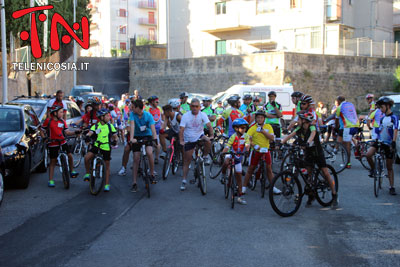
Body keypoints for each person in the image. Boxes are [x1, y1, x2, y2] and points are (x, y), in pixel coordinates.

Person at [282, 111, 338, 207]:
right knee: (309, 174)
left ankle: (334, 194)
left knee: (325, 172)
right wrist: (281, 142)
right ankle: (311, 195)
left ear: (304, 121)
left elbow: (313, 134)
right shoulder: (299, 128)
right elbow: (290, 136)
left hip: (317, 152)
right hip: (308, 153)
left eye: (299, 119)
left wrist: (307, 142)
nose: (297, 121)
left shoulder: (312, 127)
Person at [179, 98, 214, 191]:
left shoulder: (203, 114)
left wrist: (212, 135)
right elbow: (181, 129)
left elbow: (209, 126)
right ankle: (184, 180)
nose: (194, 108)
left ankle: (206, 156)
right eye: (193, 106)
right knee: (187, 160)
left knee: (208, 141)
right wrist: (181, 141)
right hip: (189, 138)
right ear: (190, 107)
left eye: (196, 106)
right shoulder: (185, 116)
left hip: (200, 135)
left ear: (199, 107)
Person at [242, 110, 281, 194]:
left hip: (265, 150)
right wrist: (253, 145)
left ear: (264, 119)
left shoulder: (268, 127)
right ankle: (244, 187)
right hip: (256, 151)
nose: (260, 119)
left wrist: (263, 131)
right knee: (250, 169)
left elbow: (272, 138)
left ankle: (273, 187)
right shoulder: (253, 128)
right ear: (256, 118)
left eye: (261, 118)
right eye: (258, 118)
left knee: (269, 169)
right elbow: (247, 138)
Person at [42, 106, 80, 187]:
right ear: (55, 113)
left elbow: (67, 132)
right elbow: (41, 130)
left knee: (70, 155)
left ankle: (72, 171)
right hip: (53, 143)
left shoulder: (62, 122)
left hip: (62, 141)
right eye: (61, 112)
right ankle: (51, 180)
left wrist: (75, 132)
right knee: (53, 161)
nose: (63, 114)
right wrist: (44, 138)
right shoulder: (48, 121)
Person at [366, 97, 398, 195]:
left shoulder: (394, 117)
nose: (380, 109)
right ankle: (374, 169)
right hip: (380, 141)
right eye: (379, 107)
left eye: (382, 107)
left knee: (389, 166)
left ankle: (391, 186)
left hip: (389, 143)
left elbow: (396, 129)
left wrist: (393, 142)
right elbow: (380, 129)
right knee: (368, 154)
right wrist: (375, 139)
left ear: (388, 106)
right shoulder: (383, 117)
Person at [82, 109, 118, 191]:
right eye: (107, 116)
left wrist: (115, 140)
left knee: (107, 166)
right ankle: (88, 173)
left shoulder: (110, 126)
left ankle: (106, 184)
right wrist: (87, 136)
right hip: (97, 146)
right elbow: (90, 132)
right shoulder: (96, 126)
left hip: (106, 147)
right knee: (87, 158)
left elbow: (115, 135)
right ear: (102, 117)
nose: (109, 117)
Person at [129, 99, 158, 192]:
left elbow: (153, 129)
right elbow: (132, 126)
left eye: (133, 107)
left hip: (147, 135)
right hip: (137, 136)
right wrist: (131, 138)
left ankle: (152, 174)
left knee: (149, 152)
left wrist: (155, 139)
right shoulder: (132, 114)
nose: (132, 108)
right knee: (136, 158)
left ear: (138, 108)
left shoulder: (148, 115)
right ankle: (134, 182)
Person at [220, 118, 250, 204]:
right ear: (236, 128)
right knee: (226, 161)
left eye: (245, 127)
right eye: (242, 127)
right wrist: (223, 152)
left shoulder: (246, 136)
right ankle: (223, 174)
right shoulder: (233, 136)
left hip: (238, 157)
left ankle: (240, 196)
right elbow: (228, 146)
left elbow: (247, 144)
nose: (244, 129)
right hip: (231, 153)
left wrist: (247, 150)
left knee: (239, 176)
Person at [335, 95, 359, 169]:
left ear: (338, 101)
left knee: (346, 146)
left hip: (348, 127)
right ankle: (358, 148)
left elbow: (336, 119)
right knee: (349, 141)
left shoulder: (339, 107)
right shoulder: (351, 104)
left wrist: (336, 127)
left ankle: (347, 163)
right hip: (356, 125)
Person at [145, 95, 164, 164]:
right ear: (152, 102)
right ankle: (147, 156)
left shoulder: (159, 108)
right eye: (156, 102)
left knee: (157, 145)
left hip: (157, 130)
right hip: (149, 129)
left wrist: (162, 124)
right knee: (151, 144)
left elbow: (162, 116)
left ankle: (156, 158)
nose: (157, 103)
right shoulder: (147, 109)